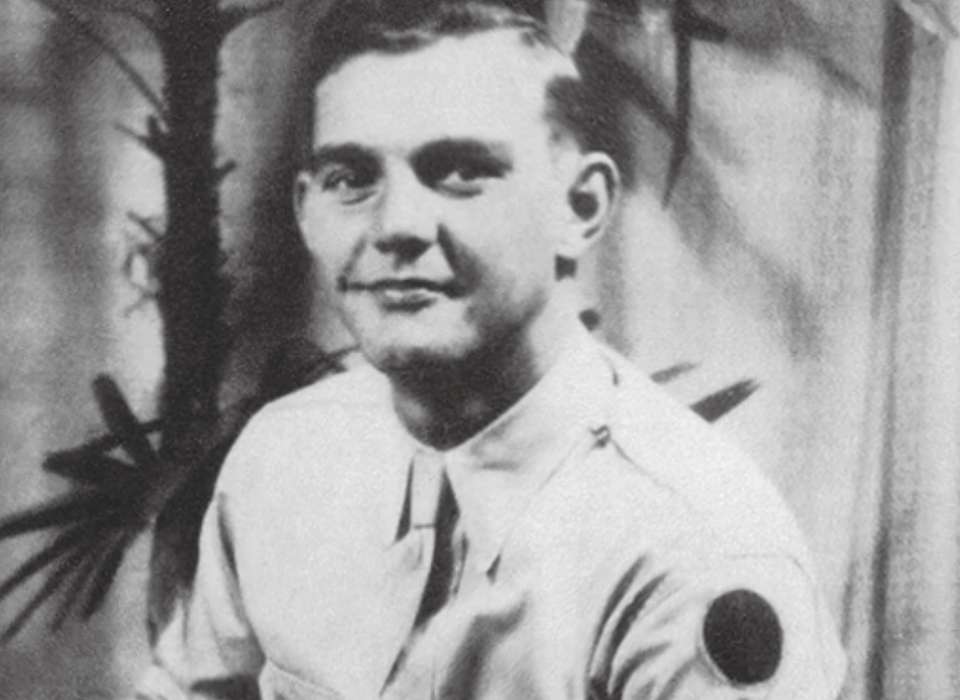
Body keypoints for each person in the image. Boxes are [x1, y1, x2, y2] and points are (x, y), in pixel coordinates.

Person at [137, 2, 846, 698]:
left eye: (460, 172)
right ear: (305, 210)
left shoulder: (693, 550)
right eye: (350, 179)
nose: (397, 226)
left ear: (580, 206)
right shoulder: (282, 458)